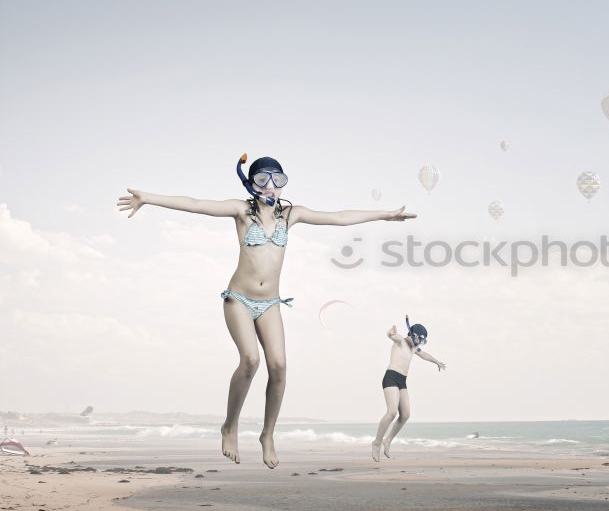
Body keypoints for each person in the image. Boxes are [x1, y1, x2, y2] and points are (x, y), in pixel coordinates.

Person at [118, 153, 416, 468]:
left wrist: (384, 215)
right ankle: (229, 426)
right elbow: (195, 203)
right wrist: (147, 198)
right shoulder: (240, 211)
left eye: (278, 180)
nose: (271, 187)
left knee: (279, 366)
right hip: (239, 299)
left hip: (271, 303)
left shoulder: (291, 214)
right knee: (250, 360)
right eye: (263, 180)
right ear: (252, 182)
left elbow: (338, 217)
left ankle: (267, 434)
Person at [371, 315, 445, 463]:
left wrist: (436, 361)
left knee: (405, 415)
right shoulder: (401, 342)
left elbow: (423, 354)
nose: (419, 343)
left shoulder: (413, 348)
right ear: (412, 335)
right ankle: (377, 442)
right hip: (391, 377)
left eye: (422, 341)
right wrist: (390, 333)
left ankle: (388, 440)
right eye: (419, 339)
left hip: (402, 381)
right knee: (391, 412)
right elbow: (392, 336)